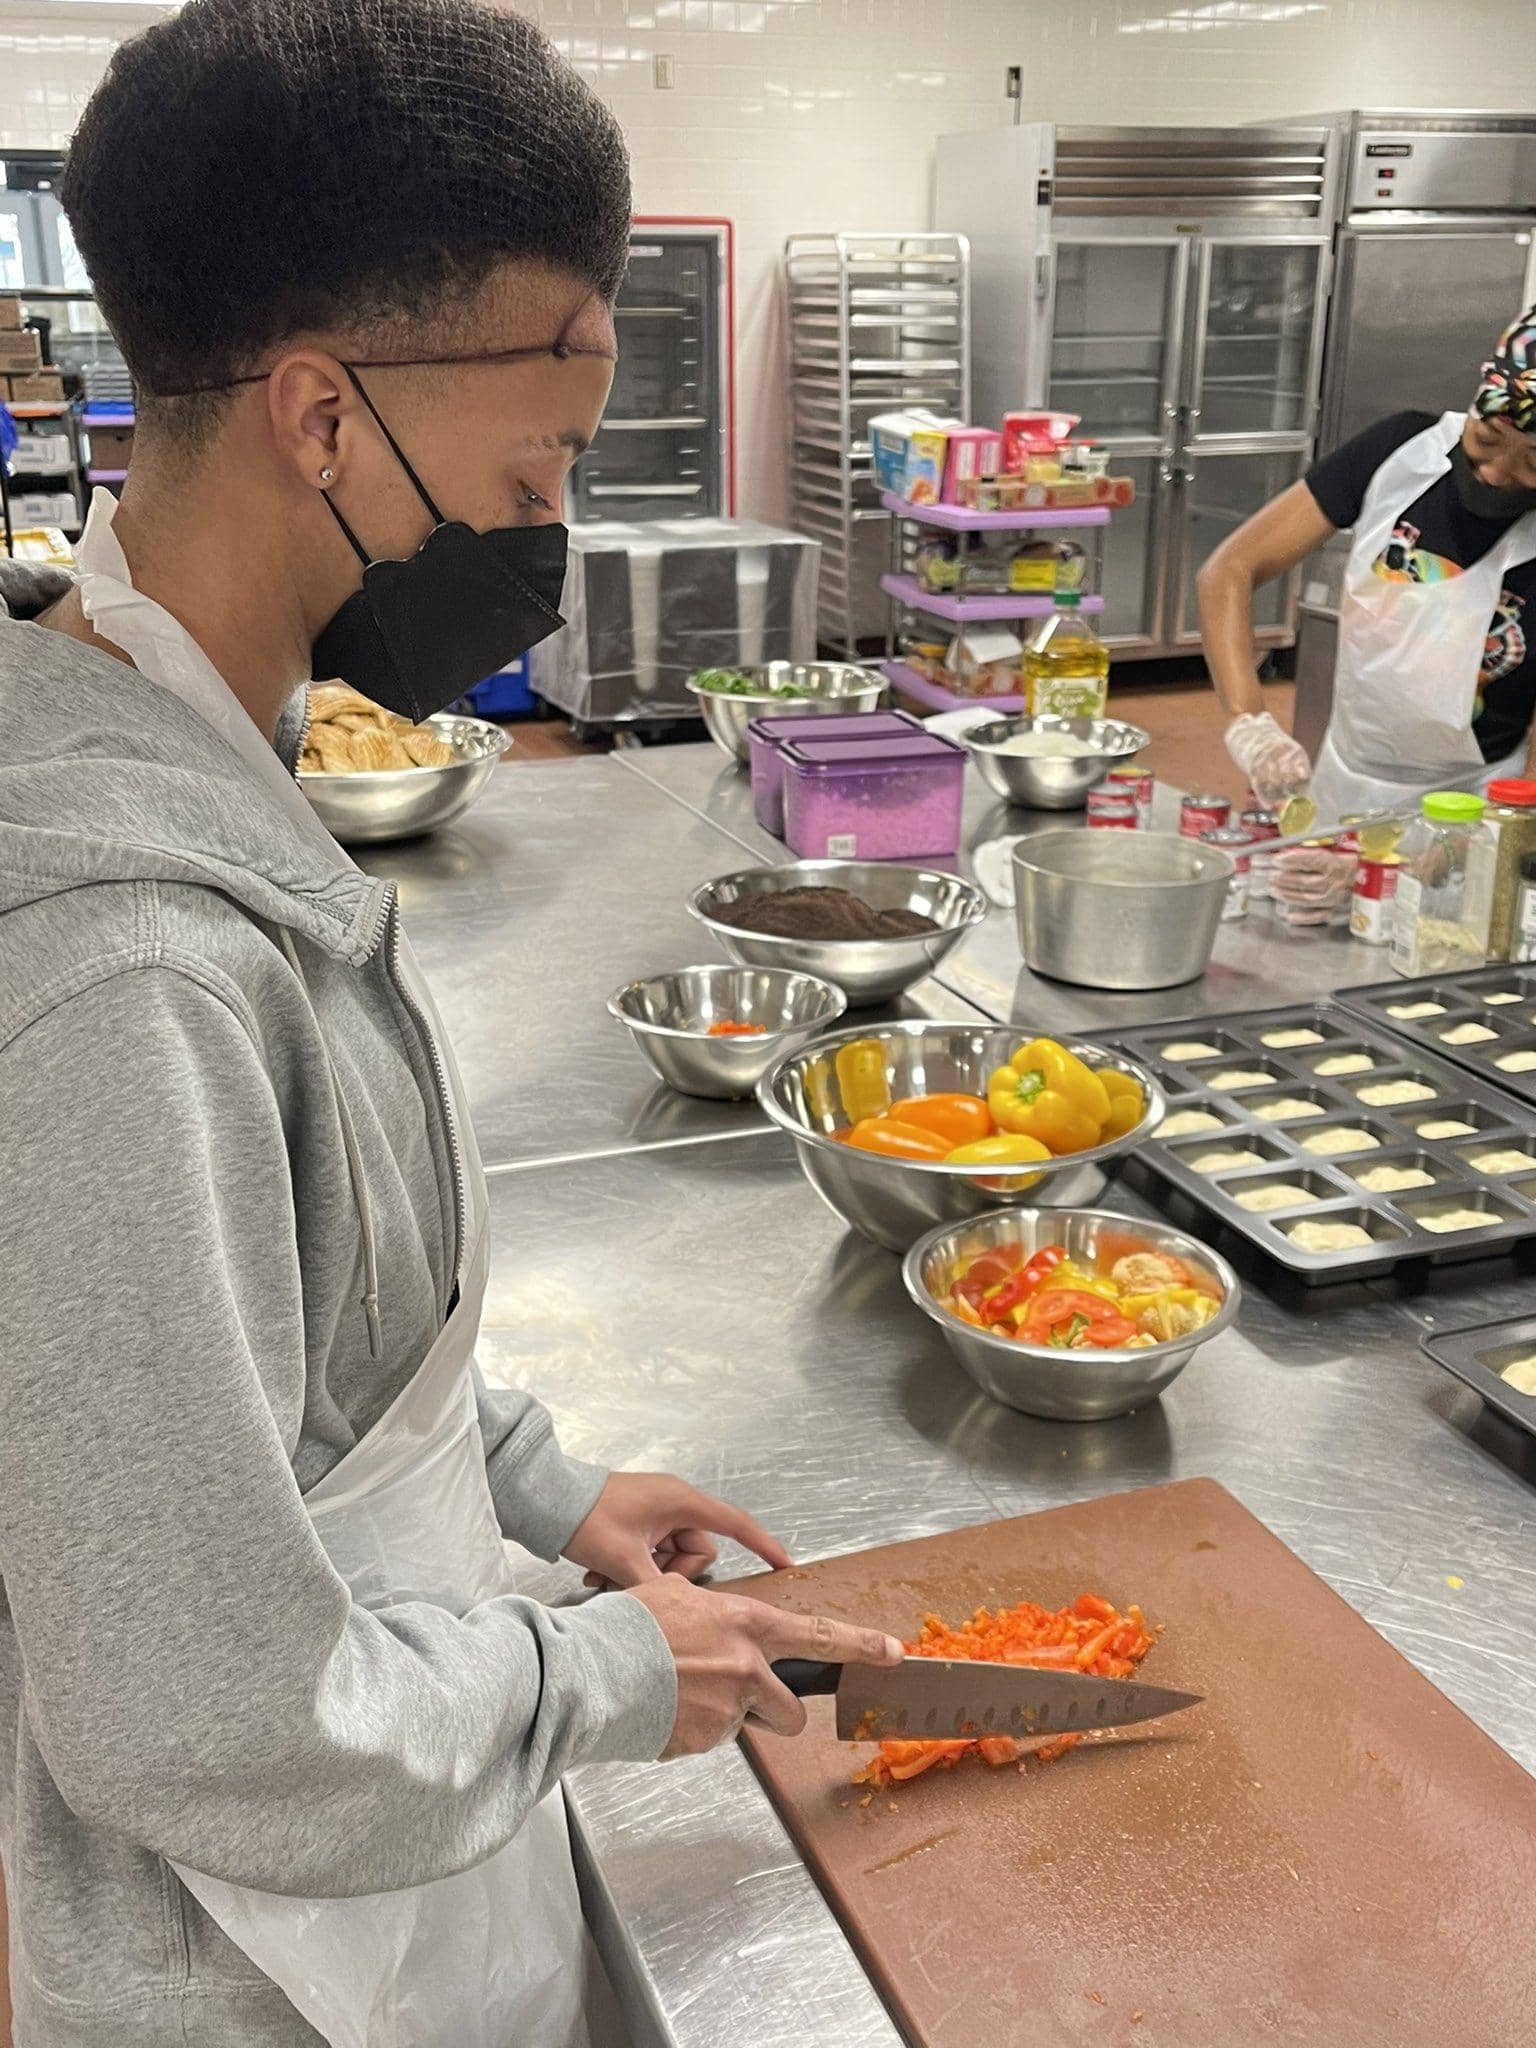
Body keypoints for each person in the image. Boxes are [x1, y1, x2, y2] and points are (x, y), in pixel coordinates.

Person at [0, 5, 901, 2045]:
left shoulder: (199, 745)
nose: (548, 525)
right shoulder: (121, 962)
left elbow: (296, 1331)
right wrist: (612, 1672)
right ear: (322, 419)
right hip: (266, 1967)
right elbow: (194, 1715)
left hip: (398, 1843)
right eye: (544, 460)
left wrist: (533, 1483)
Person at [1199, 306, 1536, 921]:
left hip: (1476, 817)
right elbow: (1228, 571)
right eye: (1487, 441)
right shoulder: (1401, 451)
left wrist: (1423, 861)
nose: (1494, 473)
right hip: (1340, 785)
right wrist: (1249, 723)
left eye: (1532, 466)